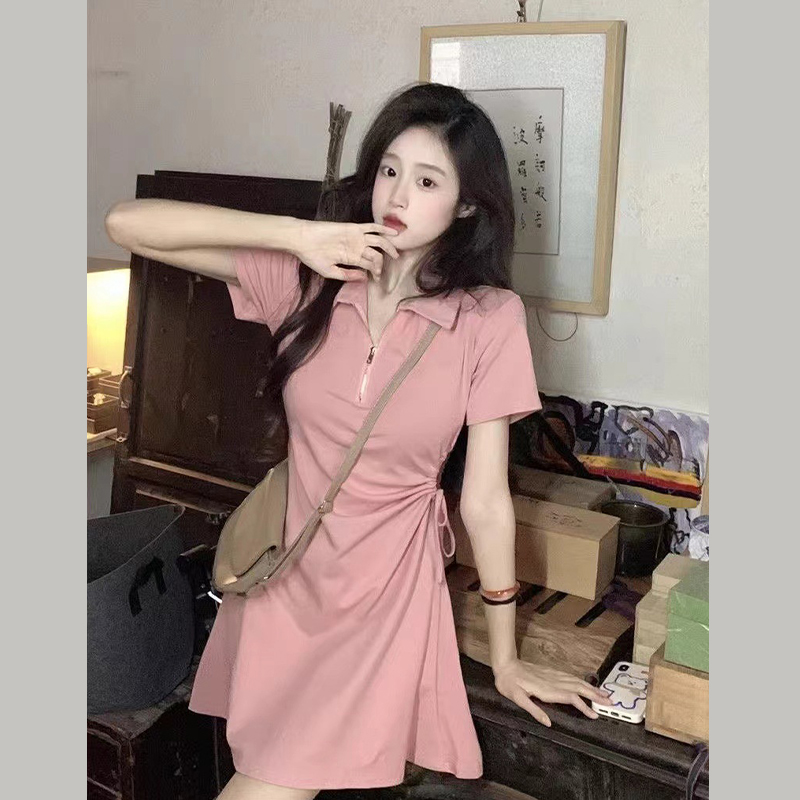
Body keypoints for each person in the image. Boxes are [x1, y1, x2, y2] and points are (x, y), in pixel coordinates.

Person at [105, 82, 611, 800]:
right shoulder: (310, 282)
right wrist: (297, 236)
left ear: (467, 205)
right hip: (284, 581)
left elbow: (486, 501)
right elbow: (127, 224)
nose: (397, 194)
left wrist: (506, 659)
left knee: (266, 785)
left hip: (380, 601)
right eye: (389, 170)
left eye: (428, 181)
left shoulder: (487, 318)